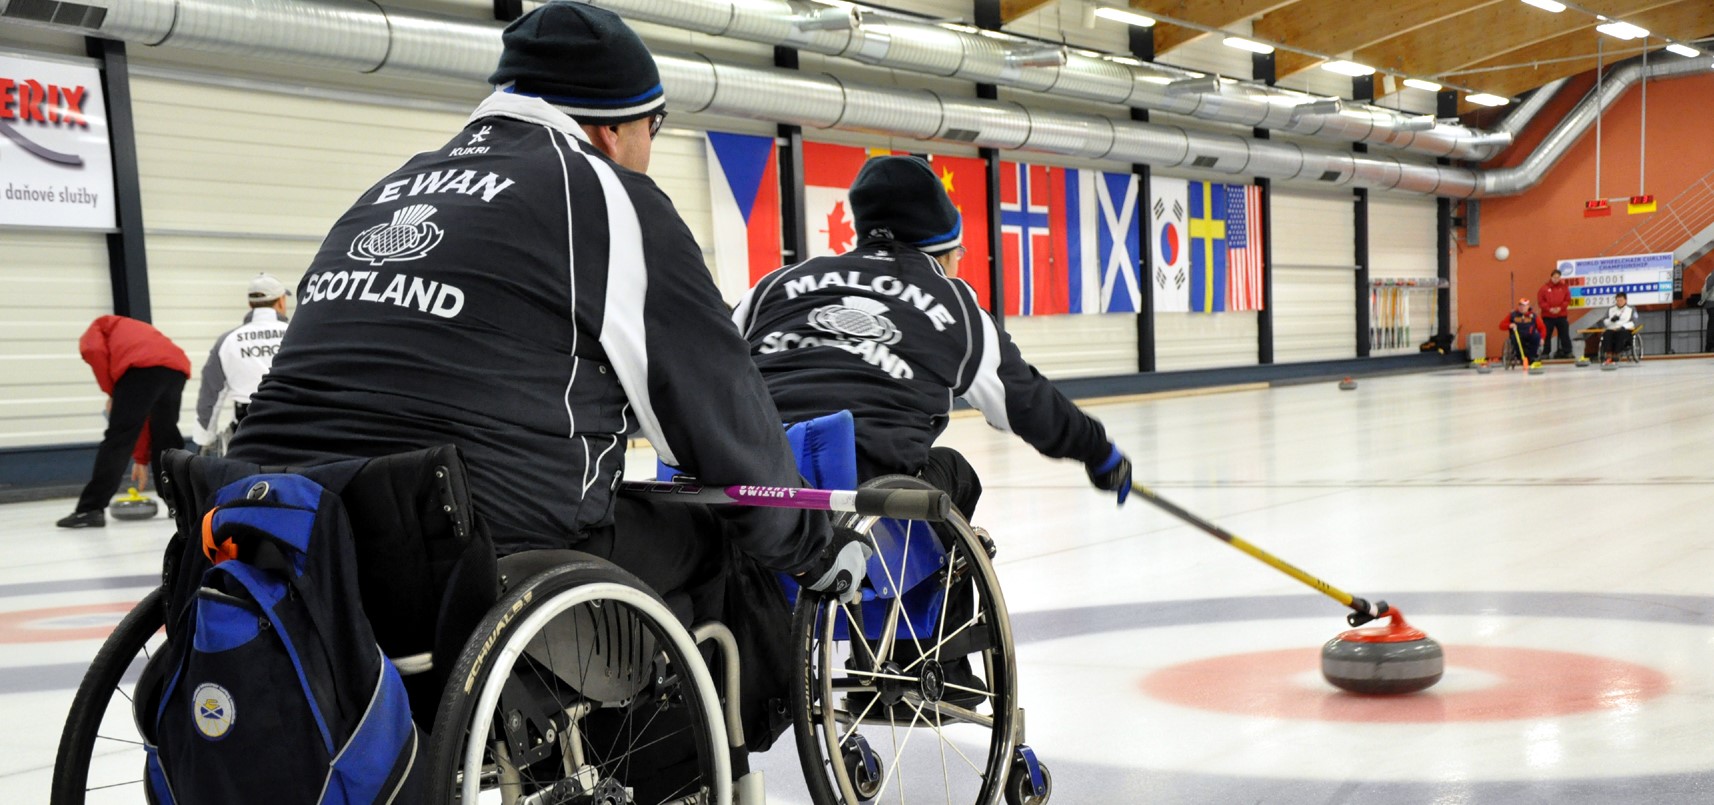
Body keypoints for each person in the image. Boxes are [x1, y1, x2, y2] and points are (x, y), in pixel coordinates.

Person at [225, 7, 863, 776]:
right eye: (655, 128)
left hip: (285, 534)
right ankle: (675, 772)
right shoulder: (609, 199)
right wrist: (813, 548)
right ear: (614, 128)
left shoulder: (386, 191)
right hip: (456, 554)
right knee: (720, 540)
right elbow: (721, 418)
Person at [735, 155, 1133, 516]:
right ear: (942, 250)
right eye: (959, 253)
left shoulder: (773, 285)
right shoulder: (955, 304)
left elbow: (711, 361)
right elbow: (1026, 402)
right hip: (864, 485)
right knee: (956, 473)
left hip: (750, 467)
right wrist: (1099, 452)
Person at [57, 316, 190, 528]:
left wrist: (112, 392)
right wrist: (141, 458)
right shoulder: (133, 329)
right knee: (166, 435)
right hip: (176, 368)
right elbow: (143, 419)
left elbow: (92, 350)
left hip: (140, 368)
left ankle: (90, 509)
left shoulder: (97, 328)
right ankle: (181, 506)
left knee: (118, 437)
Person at [192, 274, 290, 452]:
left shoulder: (227, 341)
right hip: (293, 424)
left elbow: (211, 395)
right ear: (281, 301)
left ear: (250, 304)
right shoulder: (297, 335)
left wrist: (204, 440)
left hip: (247, 430)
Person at [1497, 297, 1545, 366]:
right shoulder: (1513, 315)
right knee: (1515, 339)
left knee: (1536, 337)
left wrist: (1542, 338)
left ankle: (1531, 357)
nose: (1522, 308)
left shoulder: (1533, 316)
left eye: (1524, 306)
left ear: (1528, 306)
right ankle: (1521, 357)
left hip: (1530, 335)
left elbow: (1542, 328)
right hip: (1517, 335)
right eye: (1520, 306)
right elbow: (1501, 325)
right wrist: (1510, 325)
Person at [1537, 268, 1573, 359]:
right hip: (1548, 316)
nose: (1556, 279)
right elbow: (1541, 301)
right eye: (1554, 277)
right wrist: (1549, 309)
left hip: (1561, 315)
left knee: (1564, 334)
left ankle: (1567, 351)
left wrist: (1560, 308)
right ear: (1551, 277)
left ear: (1560, 278)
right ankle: (1545, 352)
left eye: (1558, 277)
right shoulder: (1544, 288)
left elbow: (1567, 300)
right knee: (1547, 334)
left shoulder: (1564, 287)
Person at [1600, 291, 1639, 365]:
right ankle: (1608, 354)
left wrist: (1624, 326)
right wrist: (1610, 320)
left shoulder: (1631, 309)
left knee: (1621, 334)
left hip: (1624, 329)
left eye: (1621, 300)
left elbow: (1634, 322)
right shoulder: (1611, 309)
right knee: (1606, 334)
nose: (1619, 302)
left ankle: (1616, 353)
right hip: (1612, 328)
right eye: (1618, 300)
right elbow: (1604, 320)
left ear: (1625, 300)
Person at [1699, 271, 1714, 353]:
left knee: (1712, 325)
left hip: (1711, 303)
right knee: (1712, 326)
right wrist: (1703, 300)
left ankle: (1710, 346)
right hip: (1712, 303)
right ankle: (1710, 346)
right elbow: (1707, 287)